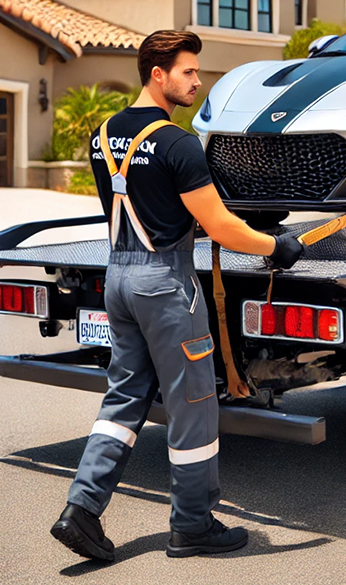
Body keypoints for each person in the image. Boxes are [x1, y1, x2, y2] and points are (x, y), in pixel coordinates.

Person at [50, 30, 303, 561]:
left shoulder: (103, 135)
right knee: (192, 404)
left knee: (123, 399)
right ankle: (192, 525)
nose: (197, 80)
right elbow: (221, 226)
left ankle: (81, 509)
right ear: (157, 75)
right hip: (165, 284)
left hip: (117, 275)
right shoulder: (177, 143)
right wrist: (276, 246)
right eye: (188, 72)